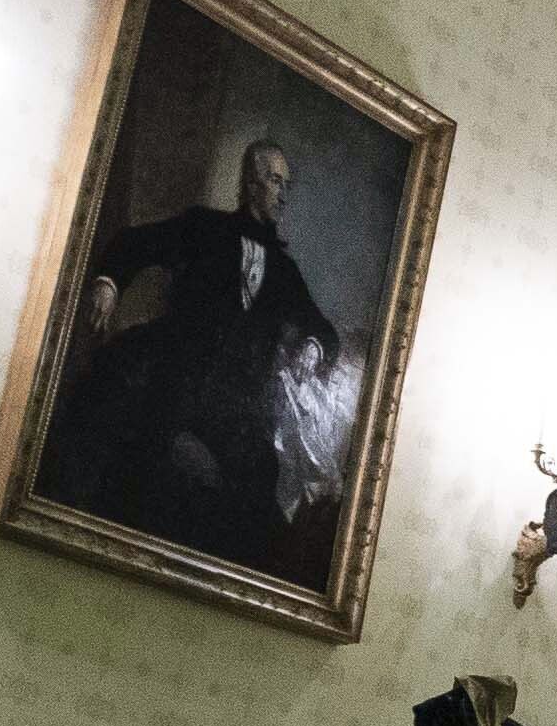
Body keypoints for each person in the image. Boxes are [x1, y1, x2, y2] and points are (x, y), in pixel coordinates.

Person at [55, 139, 350, 570]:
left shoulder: (285, 272)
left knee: (258, 479)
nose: (283, 192)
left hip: (237, 401)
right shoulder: (204, 228)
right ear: (251, 184)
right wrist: (108, 284)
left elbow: (321, 329)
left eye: (287, 184)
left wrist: (312, 346)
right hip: (177, 372)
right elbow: (136, 243)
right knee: (139, 448)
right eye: (274, 179)